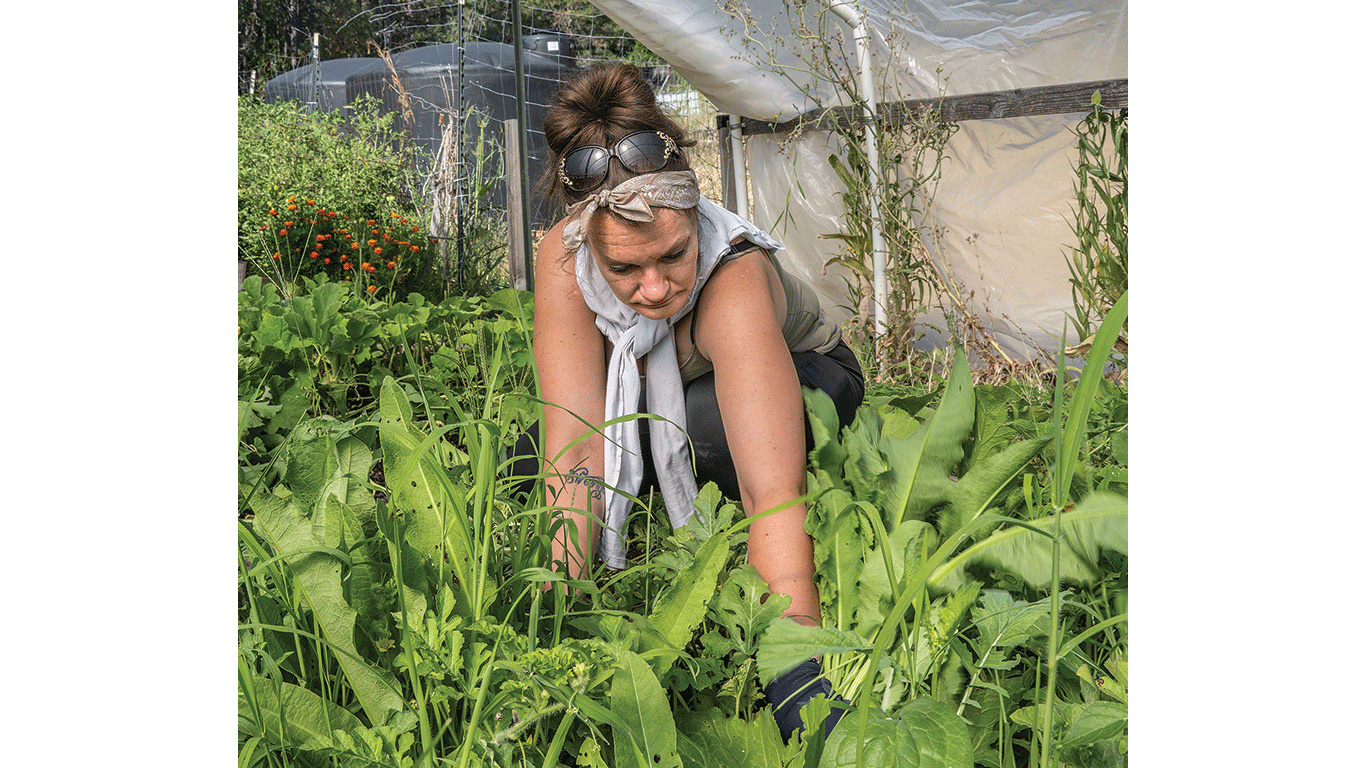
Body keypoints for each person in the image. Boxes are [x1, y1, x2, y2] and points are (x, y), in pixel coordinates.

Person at [523, 63, 864, 741]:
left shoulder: (731, 277)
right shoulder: (561, 261)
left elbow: (776, 497)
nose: (654, 288)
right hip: (661, 384)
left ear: (693, 212)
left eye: (673, 256)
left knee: (703, 432)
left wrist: (797, 672)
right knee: (536, 453)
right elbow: (578, 450)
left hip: (812, 371)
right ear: (586, 242)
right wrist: (555, 630)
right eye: (623, 268)